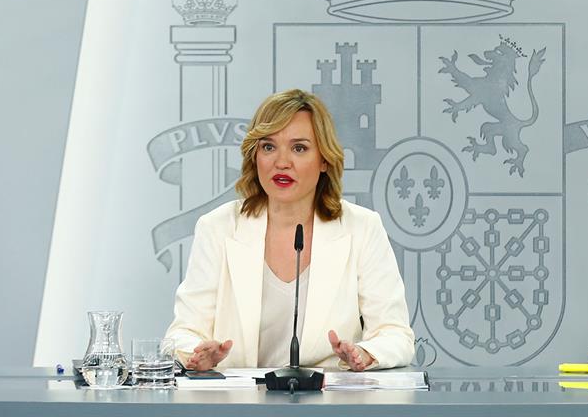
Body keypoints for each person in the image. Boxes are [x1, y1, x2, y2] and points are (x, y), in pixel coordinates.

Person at [165, 88, 415, 370]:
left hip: (328, 406)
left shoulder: (362, 227)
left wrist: (365, 353)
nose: (281, 162)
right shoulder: (218, 228)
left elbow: (396, 335)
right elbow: (181, 333)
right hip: (239, 406)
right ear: (254, 156)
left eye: (299, 148)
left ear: (324, 159)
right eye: (268, 147)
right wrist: (195, 354)